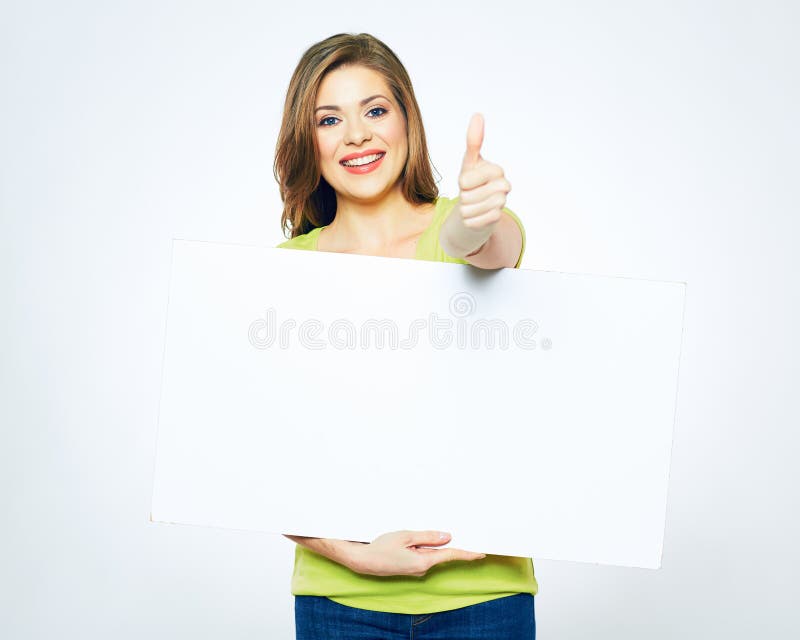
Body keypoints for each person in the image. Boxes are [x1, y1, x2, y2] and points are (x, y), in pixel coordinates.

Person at [274, 33, 537, 639]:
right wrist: (356, 556)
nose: (357, 134)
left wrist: (477, 222)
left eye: (374, 110)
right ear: (306, 141)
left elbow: (487, 249)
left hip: (483, 599)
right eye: (329, 118)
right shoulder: (287, 269)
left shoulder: (456, 230)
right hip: (338, 602)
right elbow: (263, 457)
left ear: (406, 122)